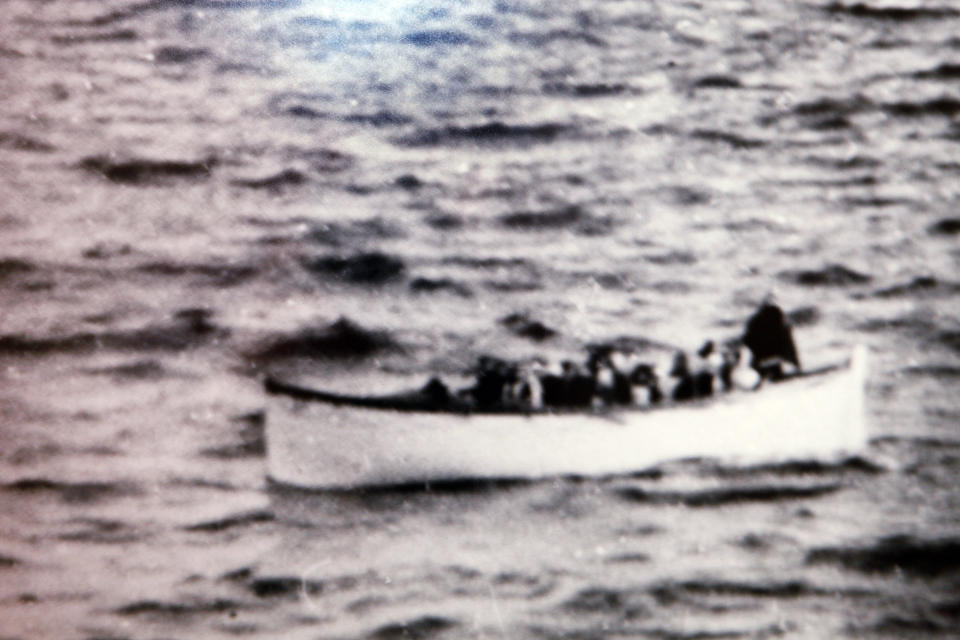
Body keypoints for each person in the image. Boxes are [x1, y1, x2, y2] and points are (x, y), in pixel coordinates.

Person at [742, 294, 801, 381]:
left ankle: (763, 375)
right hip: (777, 356)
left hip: (760, 359)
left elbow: (747, 340)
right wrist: (795, 363)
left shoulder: (754, 321)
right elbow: (787, 340)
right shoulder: (777, 316)